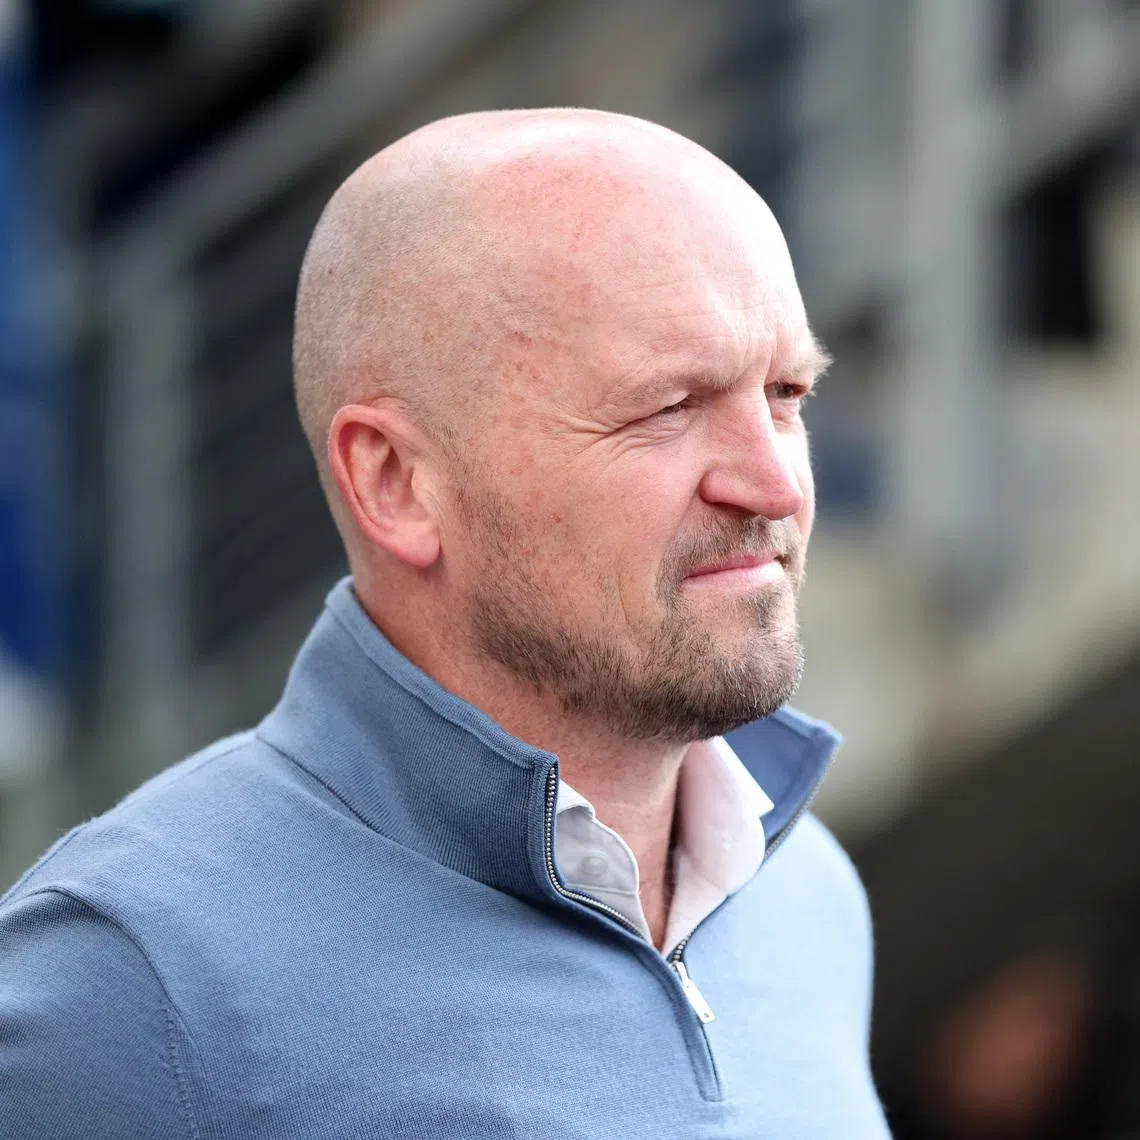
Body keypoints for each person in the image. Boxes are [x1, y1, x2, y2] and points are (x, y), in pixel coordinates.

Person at [0, 108, 890, 1138]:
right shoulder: (127, 980)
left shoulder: (806, 897)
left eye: (786, 392)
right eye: (668, 407)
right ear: (395, 482)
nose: (776, 485)